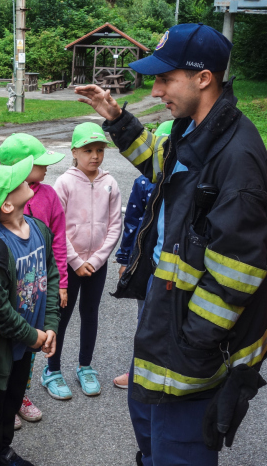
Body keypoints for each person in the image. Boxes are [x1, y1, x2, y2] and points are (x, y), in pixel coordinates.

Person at [76, 23, 267, 466]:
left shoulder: (237, 156)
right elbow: (161, 163)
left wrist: (192, 342)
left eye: (166, 78)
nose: (156, 88)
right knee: (151, 435)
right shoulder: (191, 129)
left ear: (203, 78)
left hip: (190, 344)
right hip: (169, 318)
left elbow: (237, 274)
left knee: (178, 449)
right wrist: (117, 119)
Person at [0, 157, 61, 466]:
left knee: (11, 400)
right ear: (6, 206)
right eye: (18, 182)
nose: (26, 182)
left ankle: (3, 449)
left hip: (28, 342)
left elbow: (50, 275)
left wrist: (49, 326)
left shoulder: (38, 229)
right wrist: (33, 335)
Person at [41, 122, 122, 400]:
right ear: (74, 151)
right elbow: (57, 227)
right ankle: (52, 370)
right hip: (69, 265)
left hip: (96, 265)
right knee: (61, 317)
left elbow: (115, 225)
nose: (95, 156)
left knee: (90, 313)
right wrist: (75, 261)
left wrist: (98, 259)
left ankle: (85, 366)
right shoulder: (64, 183)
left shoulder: (110, 183)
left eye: (100, 150)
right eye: (88, 150)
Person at [0, 133, 67, 424]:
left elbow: (56, 244)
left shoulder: (48, 196)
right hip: (12, 310)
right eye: (38, 163)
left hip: (36, 302)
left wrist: (61, 283)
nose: (46, 167)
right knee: (7, 356)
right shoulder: (1, 206)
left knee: (28, 354)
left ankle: (19, 396)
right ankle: (3, 402)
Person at [112, 119, 173, 390]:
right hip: (147, 263)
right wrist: (125, 259)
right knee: (144, 318)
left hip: (173, 265)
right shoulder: (143, 183)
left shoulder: (186, 184)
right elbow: (133, 223)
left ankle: (163, 372)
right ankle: (138, 371)